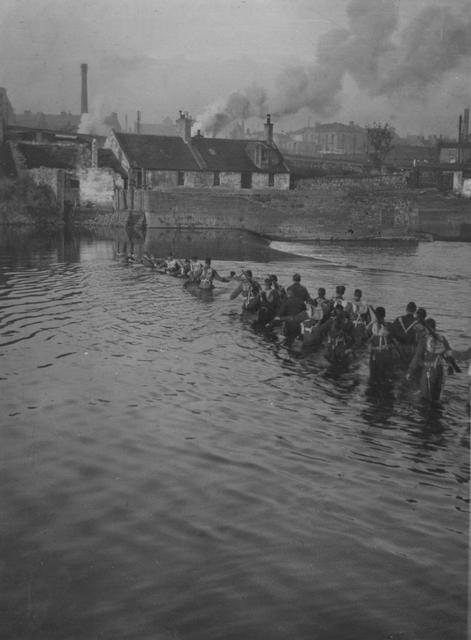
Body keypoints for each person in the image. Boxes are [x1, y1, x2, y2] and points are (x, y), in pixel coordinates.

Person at [406, 317, 453, 402]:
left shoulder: (424, 340)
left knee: (425, 398)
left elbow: (416, 358)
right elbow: (449, 355)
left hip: (428, 372)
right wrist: (450, 366)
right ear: (435, 328)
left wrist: (410, 371)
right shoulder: (442, 338)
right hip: (440, 371)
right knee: (436, 398)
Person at [367, 306, 396, 377]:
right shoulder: (390, 326)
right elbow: (393, 340)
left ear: (375, 315)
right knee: (387, 376)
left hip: (375, 354)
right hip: (386, 354)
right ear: (385, 315)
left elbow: (368, 339)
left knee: (373, 376)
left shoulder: (370, 327)